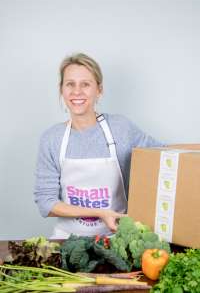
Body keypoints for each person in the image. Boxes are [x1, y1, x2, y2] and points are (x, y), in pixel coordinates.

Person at [34, 53, 164, 239]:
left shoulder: (121, 129)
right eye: (70, 84)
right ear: (61, 90)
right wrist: (99, 213)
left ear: (99, 90)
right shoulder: (52, 138)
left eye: (85, 84)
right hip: (67, 239)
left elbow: (162, 158)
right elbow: (46, 203)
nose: (76, 91)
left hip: (115, 238)